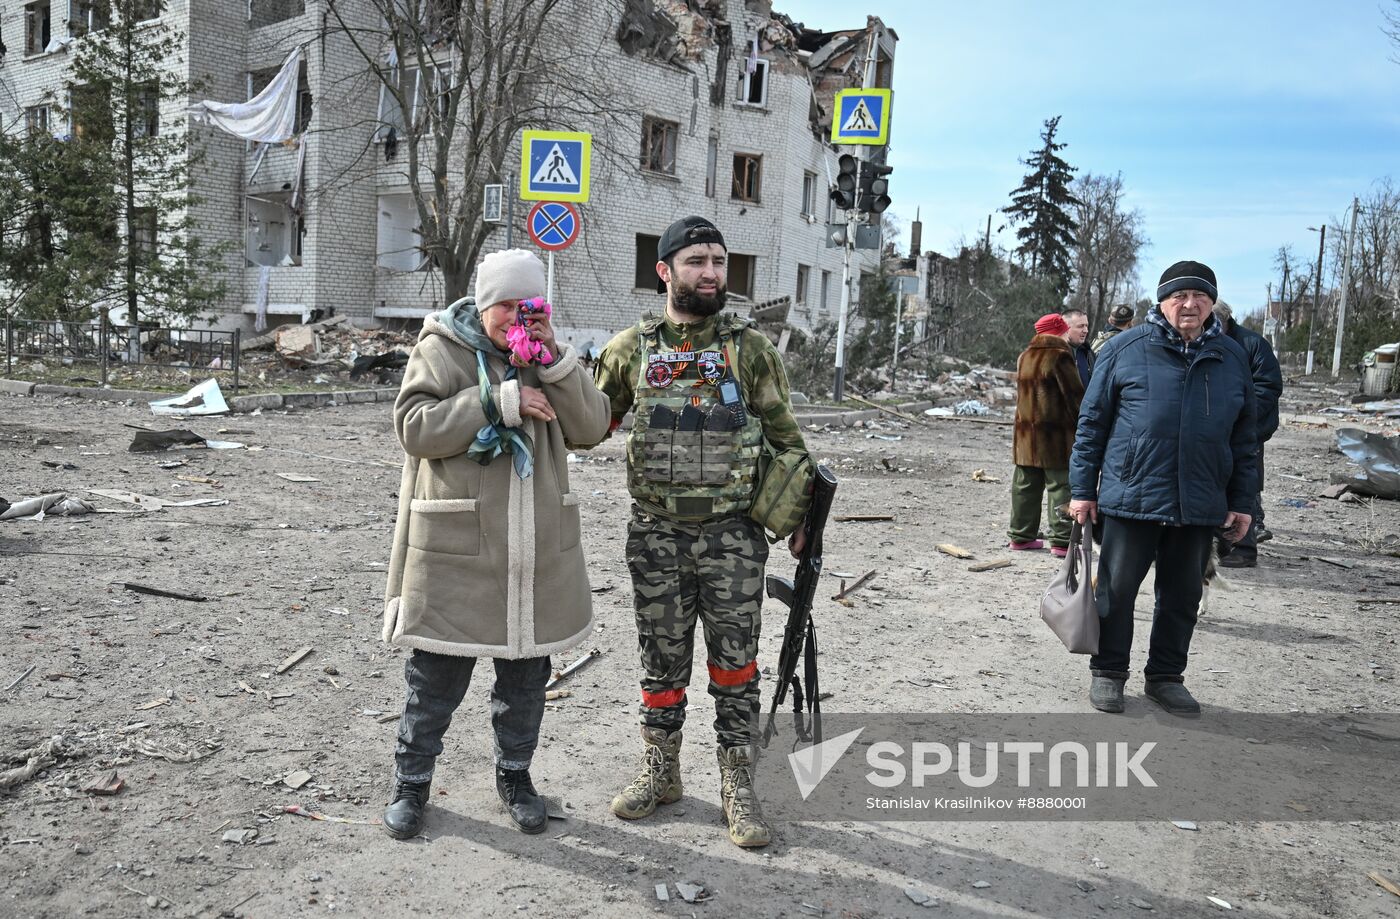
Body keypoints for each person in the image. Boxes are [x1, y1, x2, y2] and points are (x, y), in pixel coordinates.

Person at [591, 215, 809, 848]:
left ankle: (737, 783)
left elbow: (788, 442)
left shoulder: (750, 349)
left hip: (733, 538)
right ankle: (661, 773)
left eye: (718, 260)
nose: (711, 272)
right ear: (665, 271)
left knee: (735, 665)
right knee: (660, 660)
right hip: (655, 533)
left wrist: (798, 523)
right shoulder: (632, 347)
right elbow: (589, 423)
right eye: (696, 261)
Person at [380, 249, 611, 839]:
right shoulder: (441, 348)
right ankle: (411, 784)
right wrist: (495, 401)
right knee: (434, 679)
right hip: (460, 547)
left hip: (535, 552)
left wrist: (557, 362)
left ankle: (515, 776)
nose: (516, 316)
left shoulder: (545, 357)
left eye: (527, 304)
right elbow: (413, 428)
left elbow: (590, 429)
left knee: (526, 679)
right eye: (505, 304)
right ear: (483, 304)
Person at [1069, 260, 1257, 716]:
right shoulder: (1124, 349)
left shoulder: (1231, 357)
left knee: (1182, 596)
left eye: (1200, 296)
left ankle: (1166, 678)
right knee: (1115, 590)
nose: (1190, 304)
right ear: (1162, 301)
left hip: (1199, 498)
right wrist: (1082, 490)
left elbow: (1245, 437)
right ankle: (1109, 673)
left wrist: (1243, 502)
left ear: (1212, 303)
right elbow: (1091, 425)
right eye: (1179, 296)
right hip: (1133, 493)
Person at [1008, 313, 1085, 557]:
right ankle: (1062, 541)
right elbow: (1074, 397)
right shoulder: (1060, 356)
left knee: (1024, 486)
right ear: (1059, 330)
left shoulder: (1024, 356)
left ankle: (1021, 536)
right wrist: (1085, 423)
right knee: (1061, 486)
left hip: (1025, 436)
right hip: (1054, 436)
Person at [1212, 303, 1283, 568]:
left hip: (1248, 429)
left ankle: (1244, 549)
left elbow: (1269, 385)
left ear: (1226, 319)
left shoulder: (1252, 344)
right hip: (1218, 429)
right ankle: (1222, 544)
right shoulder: (1210, 341)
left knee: (1245, 487)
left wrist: (1239, 412)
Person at [1062, 308, 1095, 386]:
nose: (1086, 330)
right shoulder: (1054, 353)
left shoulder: (1088, 353)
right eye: (1080, 326)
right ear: (1066, 328)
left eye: (1086, 326)